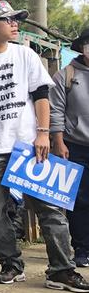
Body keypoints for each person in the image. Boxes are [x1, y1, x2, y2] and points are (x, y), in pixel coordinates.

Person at [0, 0, 88, 291]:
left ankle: (61, 269)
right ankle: (11, 264)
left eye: (16, 19)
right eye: (8, 20)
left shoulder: (26, 56)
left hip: (30, 148)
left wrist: (44, 133)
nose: (15, 24)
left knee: (50, 210)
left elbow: (41, 97)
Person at [50, 27, 89, 267]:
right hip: (75, 147)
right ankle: (83, 249)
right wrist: (58, 141)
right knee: (80, 200)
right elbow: (55, 110)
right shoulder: (66, 75)